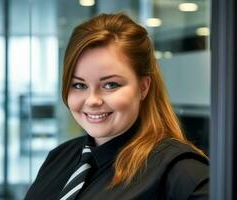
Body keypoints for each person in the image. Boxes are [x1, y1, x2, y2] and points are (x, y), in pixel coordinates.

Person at [25, 13, 209, 200]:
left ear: (143, 87)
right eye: (79, 85)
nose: (92, 100)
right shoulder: (59, 157)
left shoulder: (180, 171)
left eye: (110, 85)